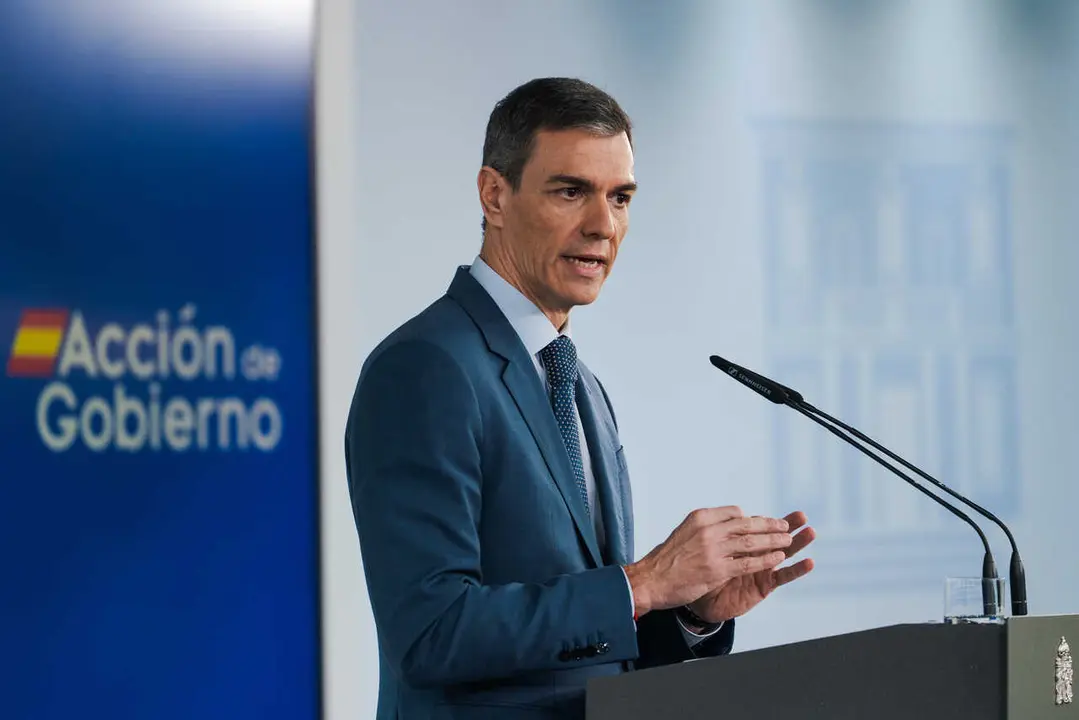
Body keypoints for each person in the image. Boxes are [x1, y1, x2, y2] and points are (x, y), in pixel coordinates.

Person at [344, 77, 816, 720]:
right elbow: (430, 634)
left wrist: (688, 613)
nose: (603, 225)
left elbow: (587, 652)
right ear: (494, 195)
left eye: (620, 197)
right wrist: (640, 584)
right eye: (571, 192)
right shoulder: (426, 368)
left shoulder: (579, 384)